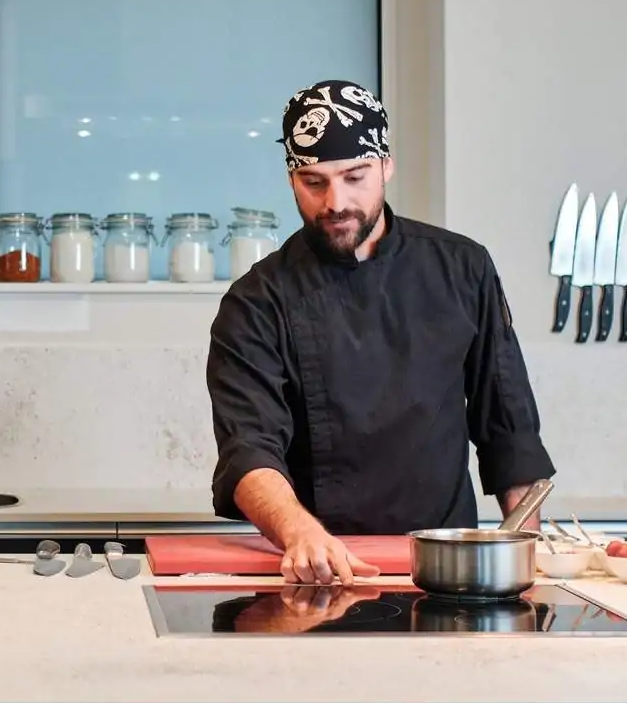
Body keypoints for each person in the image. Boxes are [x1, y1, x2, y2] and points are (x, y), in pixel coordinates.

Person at [207, 80, 555, 584]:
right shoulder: (257, 301)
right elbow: (248, 447)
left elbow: (509, 430)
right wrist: (300, 532)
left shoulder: (462, 268)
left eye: (355, 176)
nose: (336, 202)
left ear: (386, 165)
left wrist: (524, 557)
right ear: (291, 179)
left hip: (444, 566)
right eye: (314, 182)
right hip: (314, 569)